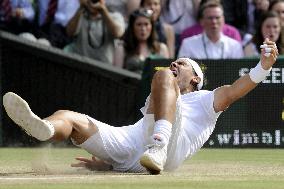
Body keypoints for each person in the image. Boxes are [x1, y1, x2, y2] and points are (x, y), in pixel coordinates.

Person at [2, 38, 278, 174]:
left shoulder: (206, 99)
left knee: (160, 75)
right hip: (135, 143)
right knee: (69, 118)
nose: (174, 64)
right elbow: (137, 132)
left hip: (168, 149)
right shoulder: (163, 88)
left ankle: (157, 145)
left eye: (180, 64)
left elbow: (236, 90)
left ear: (195, 78)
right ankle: (45, 128)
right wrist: (110, 163)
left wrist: (263, 67)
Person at [65, 0, 125, 65]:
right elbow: (69, 32)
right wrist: (81, 8)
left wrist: (103, 11)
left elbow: (118, 33)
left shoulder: (115, 17)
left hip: (104, 67)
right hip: (81, 64)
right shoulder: (81, 15)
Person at [178, 1, 244, 59]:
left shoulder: (235, 46)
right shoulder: (188, 44)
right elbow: (181, 70)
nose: (214, 21)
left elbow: (239, 71)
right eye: (210, 18)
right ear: (201, 21)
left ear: (223, 20)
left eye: (217, 17)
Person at [118, 8, 169, 74]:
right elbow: (116, 76)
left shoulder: (161, 48)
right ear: (132, 27)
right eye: (139, 24)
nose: (143, 29)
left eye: (146, 24)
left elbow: (166, 77)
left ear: (152, 26)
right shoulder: (122, 48)